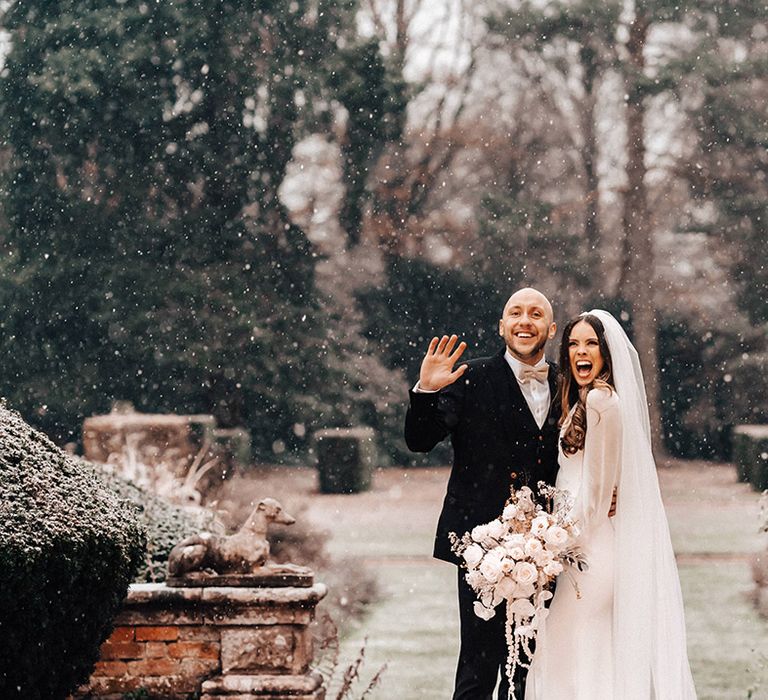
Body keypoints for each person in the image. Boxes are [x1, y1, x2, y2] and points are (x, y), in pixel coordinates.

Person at [525, 310, 697, 699]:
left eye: (591, 344)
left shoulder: (602, 400)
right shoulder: (585, 399)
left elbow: (600, 493)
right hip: (581, 545)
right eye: (573, 343)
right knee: (586, 649)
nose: (580, 352)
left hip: (589, 550)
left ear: (606, 353)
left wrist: (561, 543)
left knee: (567, 646)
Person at [404, 287, 560, 700]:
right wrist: (425, 391)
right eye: (516, 313)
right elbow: (419, 440)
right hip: (481, 545)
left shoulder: (567, 384)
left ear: (551, 328)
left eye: (536, 314)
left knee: (528, 666)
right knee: (478, 666)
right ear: (502, 325)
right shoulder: (469, 377)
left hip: (549, 549)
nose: (525, 321)